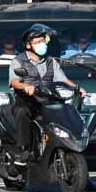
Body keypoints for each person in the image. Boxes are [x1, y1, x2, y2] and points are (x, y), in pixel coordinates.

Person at [9, 24, 85, 164]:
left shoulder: (51, 61)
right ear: (28, 45)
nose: (42, 44)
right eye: (37, 42)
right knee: (21, 111)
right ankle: (24, 149)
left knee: (67, 111)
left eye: (43, 41)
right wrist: (26, 86)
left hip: (49, 100)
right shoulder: (18, 61)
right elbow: (14, 82)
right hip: (28, 101)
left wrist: (77, 88)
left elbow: (63, 79)